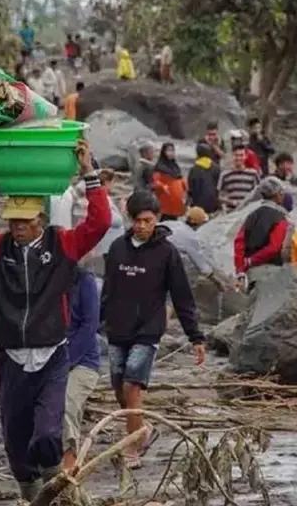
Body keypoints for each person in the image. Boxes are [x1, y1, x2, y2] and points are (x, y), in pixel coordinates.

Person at [0, 138, 109, 501]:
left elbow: (100, 222)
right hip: (12, 359)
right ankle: (33, 496)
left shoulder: (62, 246)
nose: (17, 227)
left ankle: (56, 494)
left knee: (48, 435)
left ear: (41, 221)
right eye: (13, 221)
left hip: (52, 356)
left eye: (25, 222)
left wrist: (89, 172)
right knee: (16, 447)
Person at [101, 190, 206, 469]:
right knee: (119, 389)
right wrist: (98, 322)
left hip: (148, 328)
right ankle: (143, 430)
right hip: (117, 327)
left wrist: (195, 336)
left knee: (132, 385)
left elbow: (182, 296)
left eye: (148, 220)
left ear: (157, 218)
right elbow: (108, 289)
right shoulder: (117, 248)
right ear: (130, 219)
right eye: (137, 221)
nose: (142, 226)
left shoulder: (167, 252)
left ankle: (132, 448)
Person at [62, 266, 101, 472]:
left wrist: (68, 361)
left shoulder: (85, 281)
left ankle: (69, 464)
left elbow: (90, 325)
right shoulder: (44, 277)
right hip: (48, 357)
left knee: (67, 404)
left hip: (84, 361)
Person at [233, 178, 289, 290]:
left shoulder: (252, 215)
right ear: (276, 195)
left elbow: (239, 241)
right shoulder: (280, 218)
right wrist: (252, 260)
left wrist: (240, 267)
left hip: (250, 272)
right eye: (281, 193)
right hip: (271, 271)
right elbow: (274, 247)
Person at [160, 208, 225, 291]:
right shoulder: (192, 238)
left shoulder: (172, 223)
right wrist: (217, 282)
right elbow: (201, 265)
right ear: (198, 224)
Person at [217, 145, 261, 212]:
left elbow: (258, 194)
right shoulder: (224, 174)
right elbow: (219, 197)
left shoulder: (253, 174)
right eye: (236, 155)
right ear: (232, 156)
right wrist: (232, 202)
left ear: (245, 156)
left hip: (248, 212)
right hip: (231, 213)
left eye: (241, 155)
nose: (238, 158)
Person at [151, 143, 188, 221]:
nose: (171, 153)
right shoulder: (160, 166)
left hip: (176, 201)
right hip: (166, 200)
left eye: (172, 150)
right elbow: (155, 181)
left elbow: (180, 178)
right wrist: (163, 186)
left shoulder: (175, 166)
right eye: (168, 150)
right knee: (165, 219)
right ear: (163, 152)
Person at [186, 142, 221, 215]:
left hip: (198, 205)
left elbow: (190, 188)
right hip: (213, 204)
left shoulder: (194, 169)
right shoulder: (216, 168)